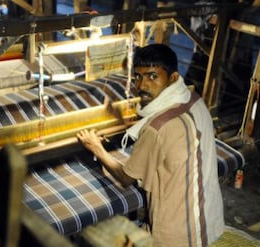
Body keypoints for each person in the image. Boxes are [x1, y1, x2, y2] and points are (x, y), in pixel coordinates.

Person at [77, 43, 224, 247]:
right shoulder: (195, 100)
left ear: (172, 78)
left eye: (152, 76)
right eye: (138, 76)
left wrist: (96, 148)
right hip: (209, 217)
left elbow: (126, 178)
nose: (142, 85)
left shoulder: (157, 128)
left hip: (178, 233)